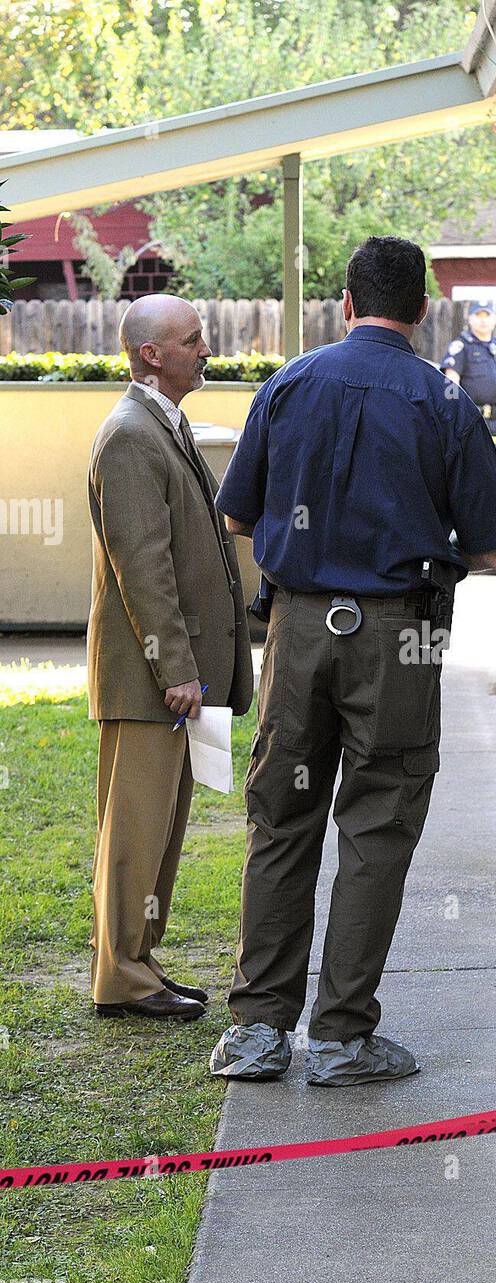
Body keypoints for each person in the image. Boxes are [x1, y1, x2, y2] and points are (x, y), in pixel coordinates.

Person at [210, 236, 496, 1085]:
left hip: (300, 630)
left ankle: (258, 1032)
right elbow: (494, 549)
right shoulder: (442, 401)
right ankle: (342, 1037)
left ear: (346, 303)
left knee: (281, 821)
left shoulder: (288, 385)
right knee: (377, 828)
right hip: (398, 637)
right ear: (422, 310)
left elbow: (236, 518)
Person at [87, 294, 253, 1019]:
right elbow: (142, 566)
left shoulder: (160, 423)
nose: (205, 347)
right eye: (192, 339)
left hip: (167, 676)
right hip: (148, 678)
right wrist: (175, 666)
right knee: (135, 831)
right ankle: (122, 974)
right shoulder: (130, 433)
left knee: (161, 828)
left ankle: (139, 963)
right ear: (152, 353)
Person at [441, 299, 496, 437]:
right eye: (478, 315)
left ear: (495, 320)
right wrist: (452, 413)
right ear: (470, 319)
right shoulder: (461, 346)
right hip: (470, 421)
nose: (483, 320)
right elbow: (451, 380)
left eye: (487, 316)